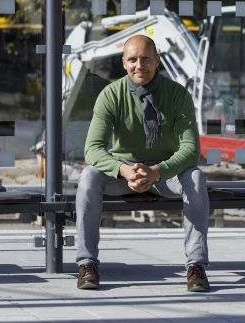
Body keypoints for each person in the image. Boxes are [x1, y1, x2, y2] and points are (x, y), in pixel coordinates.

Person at [76, 34, 210, 292]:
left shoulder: (178, 95)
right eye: (133, 60)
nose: (140, 65)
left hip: (164, 173)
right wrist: (124, 170)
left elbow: (191, 150)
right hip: (124, 173)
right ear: (124, 63)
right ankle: (87, 264)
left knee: (195, 177)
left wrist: (157, 171)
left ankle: (196, 267)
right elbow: (92, 149)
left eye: (146, 59)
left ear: (157, 61)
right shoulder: (110, 95)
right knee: (88, 177)